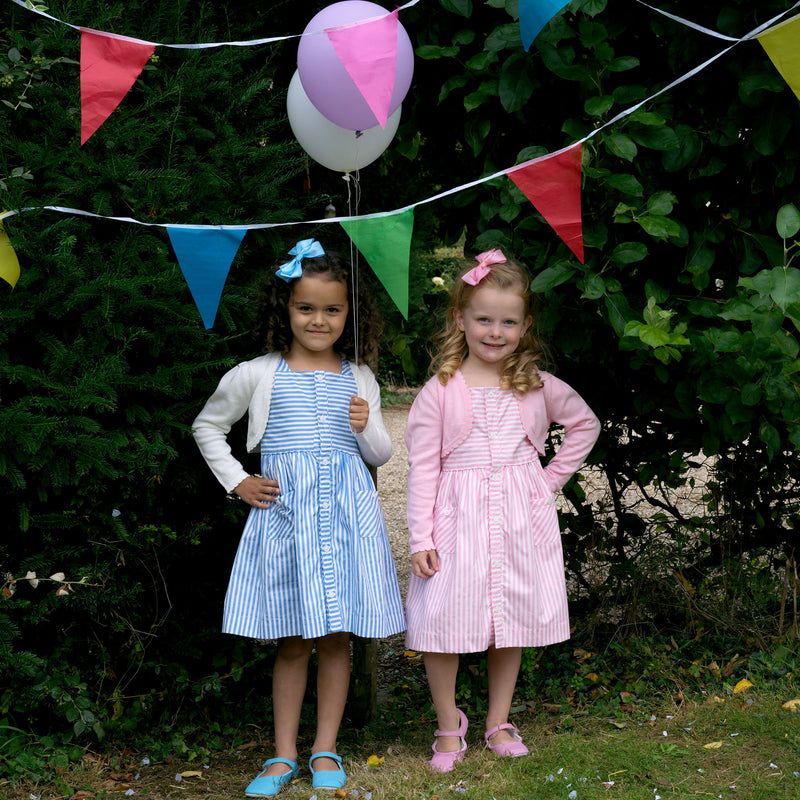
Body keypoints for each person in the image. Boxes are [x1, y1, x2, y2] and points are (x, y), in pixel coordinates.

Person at [192, 239, 405, 797]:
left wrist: (365, 426)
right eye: (305, 307)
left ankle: (325, 747)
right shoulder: (257, 373)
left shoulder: (358, 377)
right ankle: (283, 753)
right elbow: (208, 426)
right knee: (292, 639)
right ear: (284, 310)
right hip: (287, 523)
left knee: (336, 637)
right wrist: (238, 480)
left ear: (348, 314)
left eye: (332, 309)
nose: (318, 319)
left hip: (345, 522)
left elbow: (381, 455)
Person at [404, 249, 600, 772]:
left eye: (508, 322)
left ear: (525, 325)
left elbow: (585, 424)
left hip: (518, 519)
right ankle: (449, 724)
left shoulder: (534, 384)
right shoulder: (440, 391)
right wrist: (420, 537)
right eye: (484, 319)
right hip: (456, 519)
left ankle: (498, 720)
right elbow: (422, 469)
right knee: (443, 617)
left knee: (507, 618)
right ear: (460, 319)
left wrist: (549, 479)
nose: (495, 332)